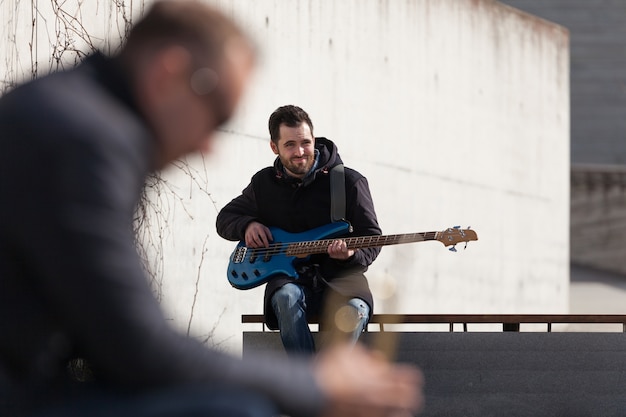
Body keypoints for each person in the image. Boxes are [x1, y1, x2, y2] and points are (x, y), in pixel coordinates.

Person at [0, 1, 423, 417]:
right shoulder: (86, 143)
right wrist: (313, 385)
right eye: (216, 114)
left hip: (33, 384)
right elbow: (141, 349)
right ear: (169, 73)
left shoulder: (65, 108)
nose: (208, 146)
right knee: (240, 409)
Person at [216, 105, 382, 356]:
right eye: (290, 144)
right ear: (275, 147)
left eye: (305, 142)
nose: (300, 152)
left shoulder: (348, 182)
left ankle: (324, 381)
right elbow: (225, 218)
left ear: (314, 140)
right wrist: (247, 225)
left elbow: (372, 239)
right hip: (290, 279)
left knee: (355, 310)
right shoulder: (263, 184)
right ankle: (307, 383)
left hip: (343, 281)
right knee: (285, 296)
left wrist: (352, 254)